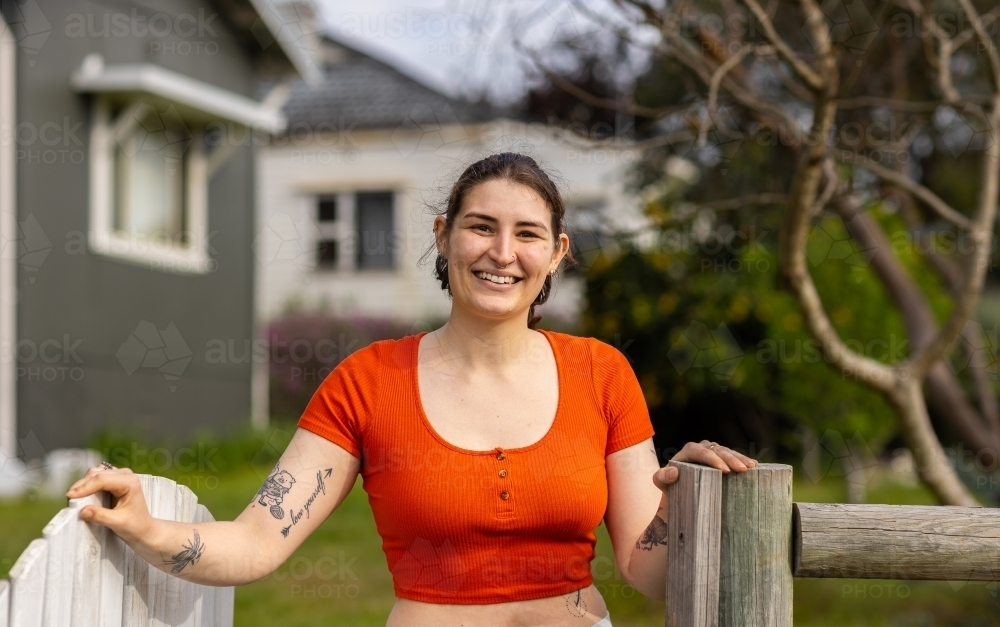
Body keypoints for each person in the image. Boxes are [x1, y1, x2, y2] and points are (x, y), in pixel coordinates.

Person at [67, 152, 757, 627]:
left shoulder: (602, 373)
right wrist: (147, 526)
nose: (502, 252)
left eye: (527, 234)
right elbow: (255, 543)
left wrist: (686, 503)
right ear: (443, 236)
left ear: (556, 255)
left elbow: (648, 569)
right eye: (481, 226)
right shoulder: (367, 382)